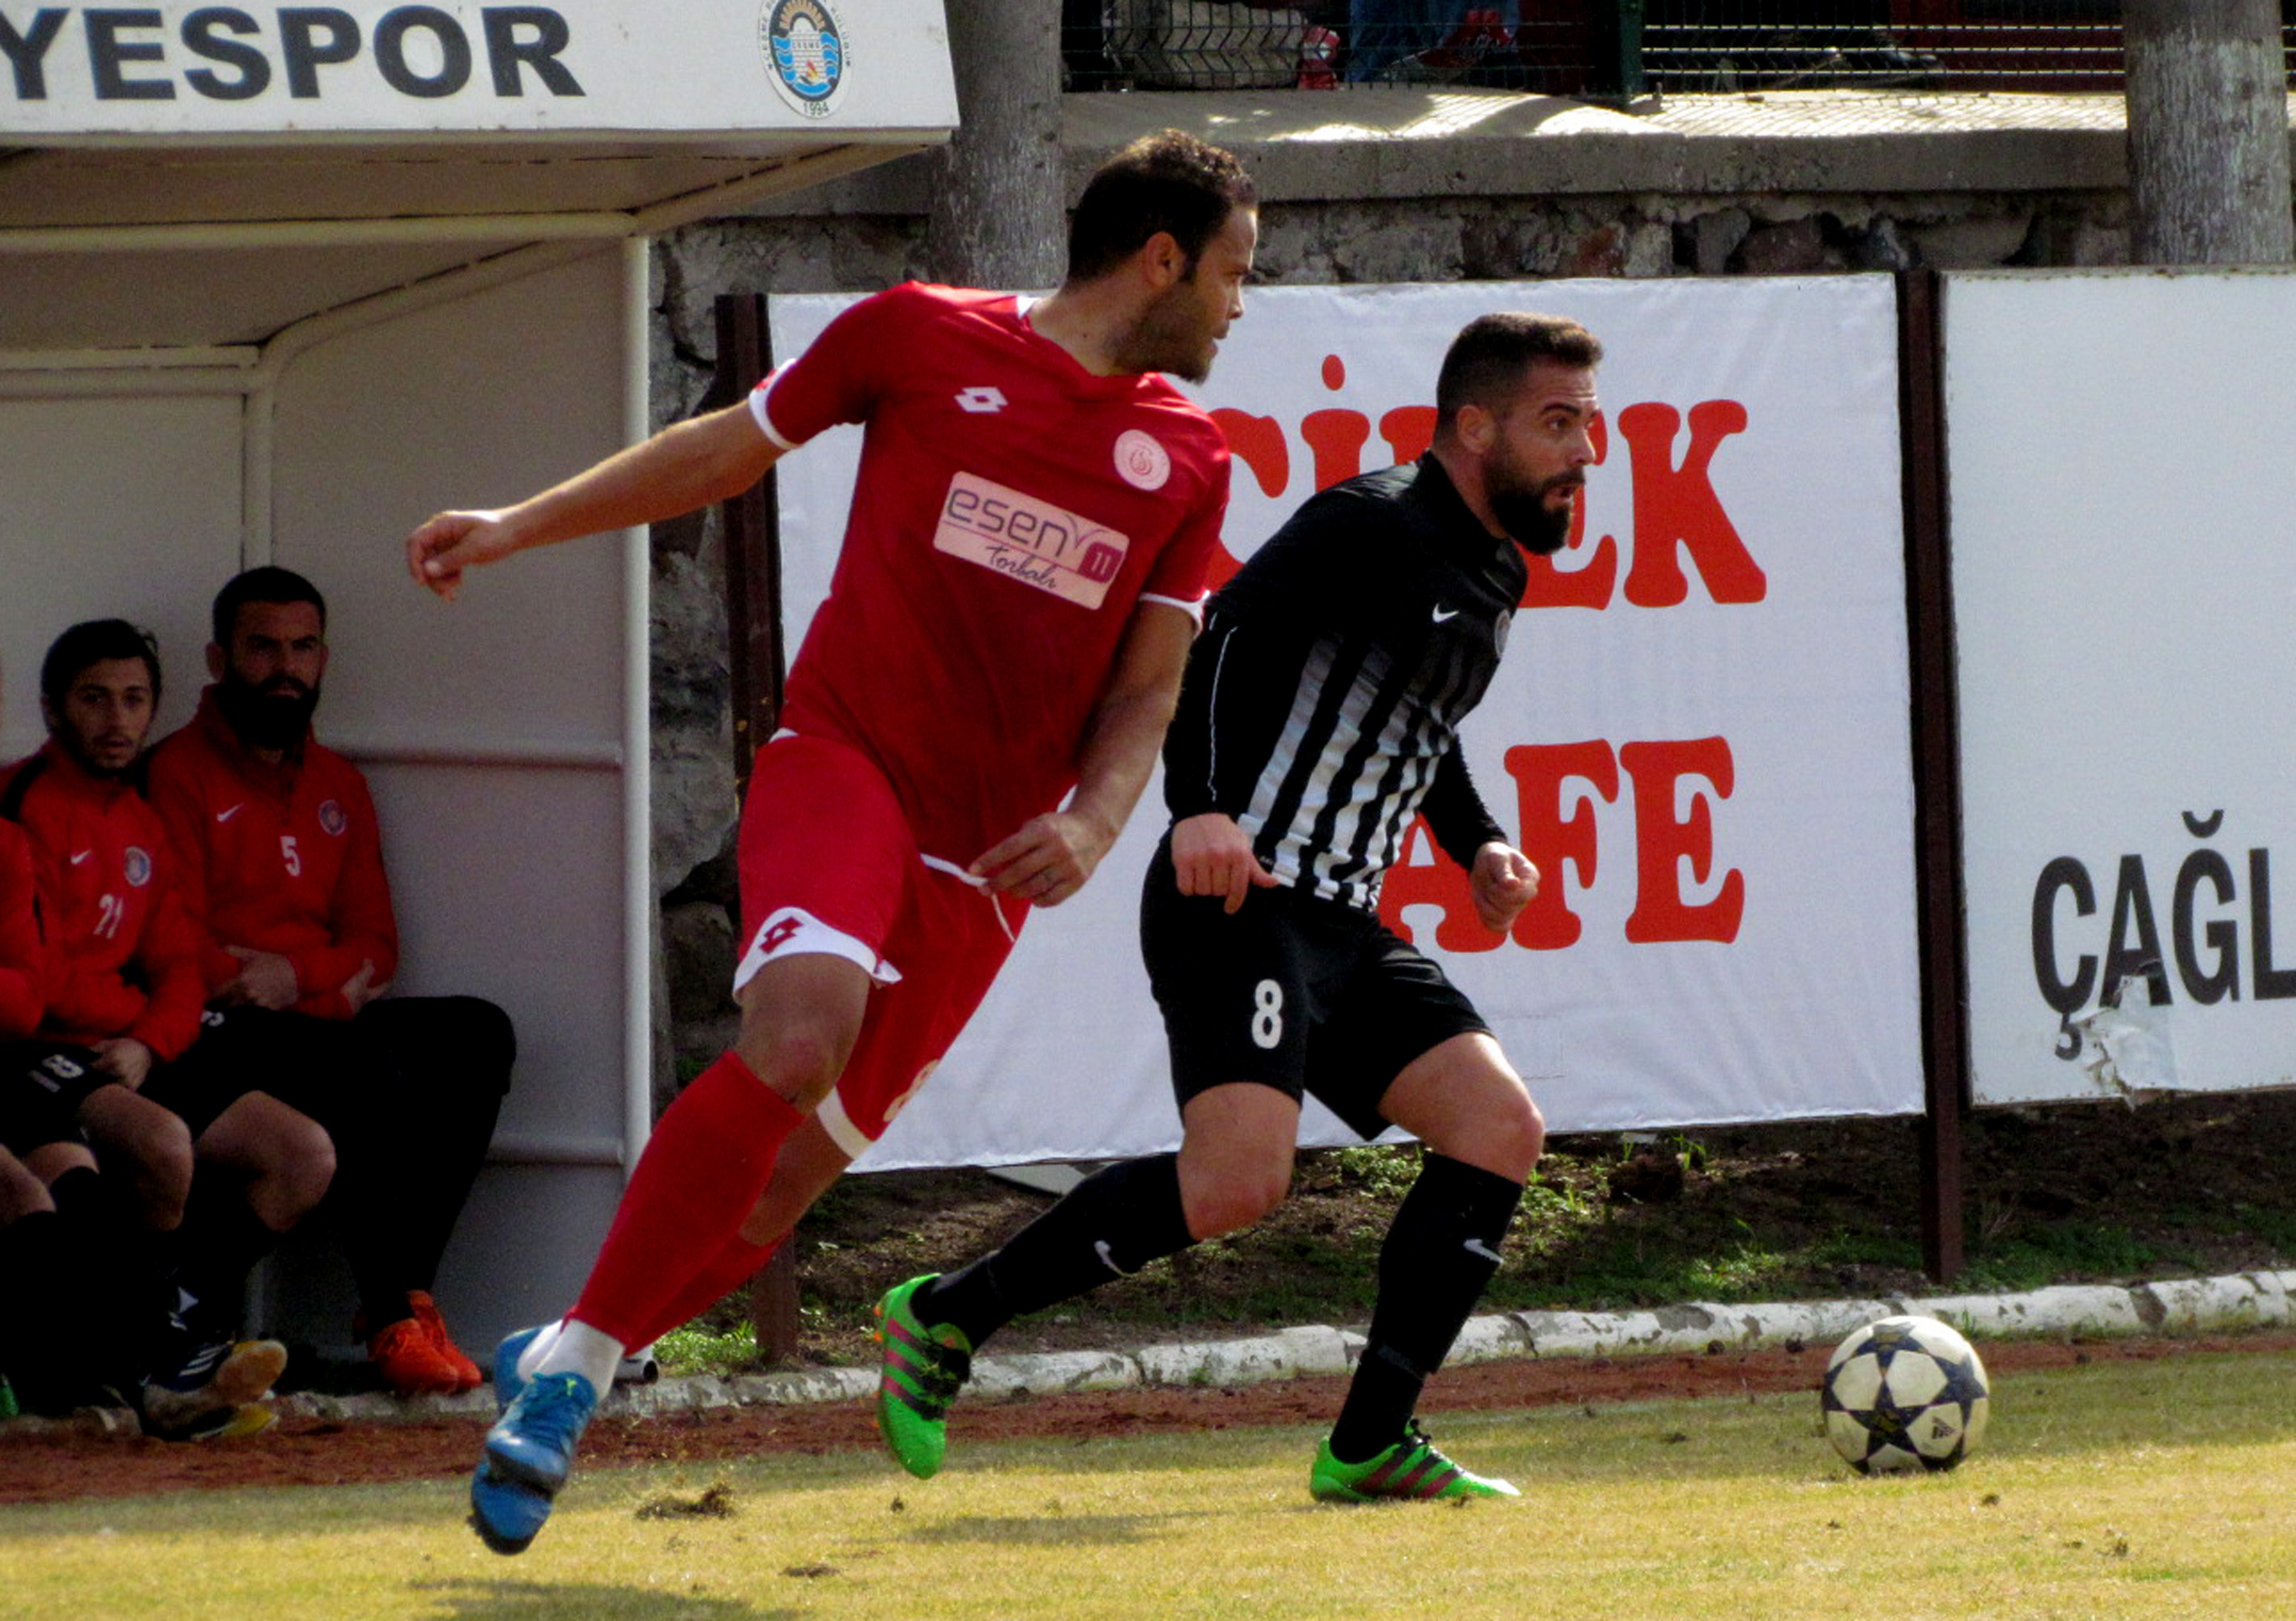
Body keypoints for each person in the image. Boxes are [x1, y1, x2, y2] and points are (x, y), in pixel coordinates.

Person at [404, 129, 1259, 1555]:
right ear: (1160, 258)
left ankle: (565, 1343)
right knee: (797, 1037)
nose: (1240, 302)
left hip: (986, 869)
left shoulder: (1189, 455)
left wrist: (1095, 819)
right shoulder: (917, 334)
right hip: (846, 762)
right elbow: (721, 451)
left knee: (782, 1185)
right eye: (1233, 272)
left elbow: (1145, 690)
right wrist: (516, 525)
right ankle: (578, 1373)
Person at [872, 312, 1602, 1504]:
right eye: (1559, 423)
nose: (1586, 453)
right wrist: (1199, 807)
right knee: (1237, 1183)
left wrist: (1476, 843)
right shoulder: (1368, 522)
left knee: (1497, 1128)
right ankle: (948, 1313)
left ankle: (1369, 1442)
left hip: (1343, 921)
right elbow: (1215, 642)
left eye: (1588, 423)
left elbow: (1423, 725)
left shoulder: (1496, 571)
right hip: (1238, 892)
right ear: (1475, 428)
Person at [143, 568, 518, 1398]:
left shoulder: (339, 784)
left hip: (303, 1014)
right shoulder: (175, 774)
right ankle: (389, 1316)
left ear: (323, 658)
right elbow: (183, 949)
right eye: (263, 648)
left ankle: (409, 1296)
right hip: (216, 1031)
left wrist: (294, 977)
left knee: (477, 1033)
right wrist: (315, 986)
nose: (286, 668)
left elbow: (377, 945)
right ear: (218, 659)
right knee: (360, 1062)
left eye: (303, 647)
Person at [1, 621, 335, 1436]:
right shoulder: (22, 808)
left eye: (134, 699)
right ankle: (165, 1354)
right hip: (41, 1049)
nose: (117, 720)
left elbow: (179, 967)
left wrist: (150, 1041)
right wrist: (131, 1023)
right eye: (95, 699)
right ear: (51, 709)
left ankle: (177, 1325)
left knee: (302, 1156)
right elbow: (34, 986)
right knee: (159, 1146)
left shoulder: (140, 820)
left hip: (128, 1046)